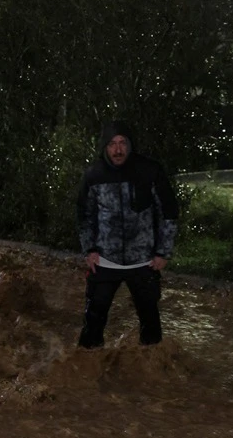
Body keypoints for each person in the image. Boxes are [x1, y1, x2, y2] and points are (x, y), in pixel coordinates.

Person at [76, 121, 179, 348]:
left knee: (150, 323)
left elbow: (169, 213)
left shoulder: (150, 171)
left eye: (123, 143)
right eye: (112, 144)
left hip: (144, 262)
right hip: (104, 260)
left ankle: (152, 371)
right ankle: (86, 369)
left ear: (130, 145)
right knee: (93, 320)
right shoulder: (93, 175)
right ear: (105, 147)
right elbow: (85, 215)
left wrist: (164, 251)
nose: (118, 149)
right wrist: (89, 249)